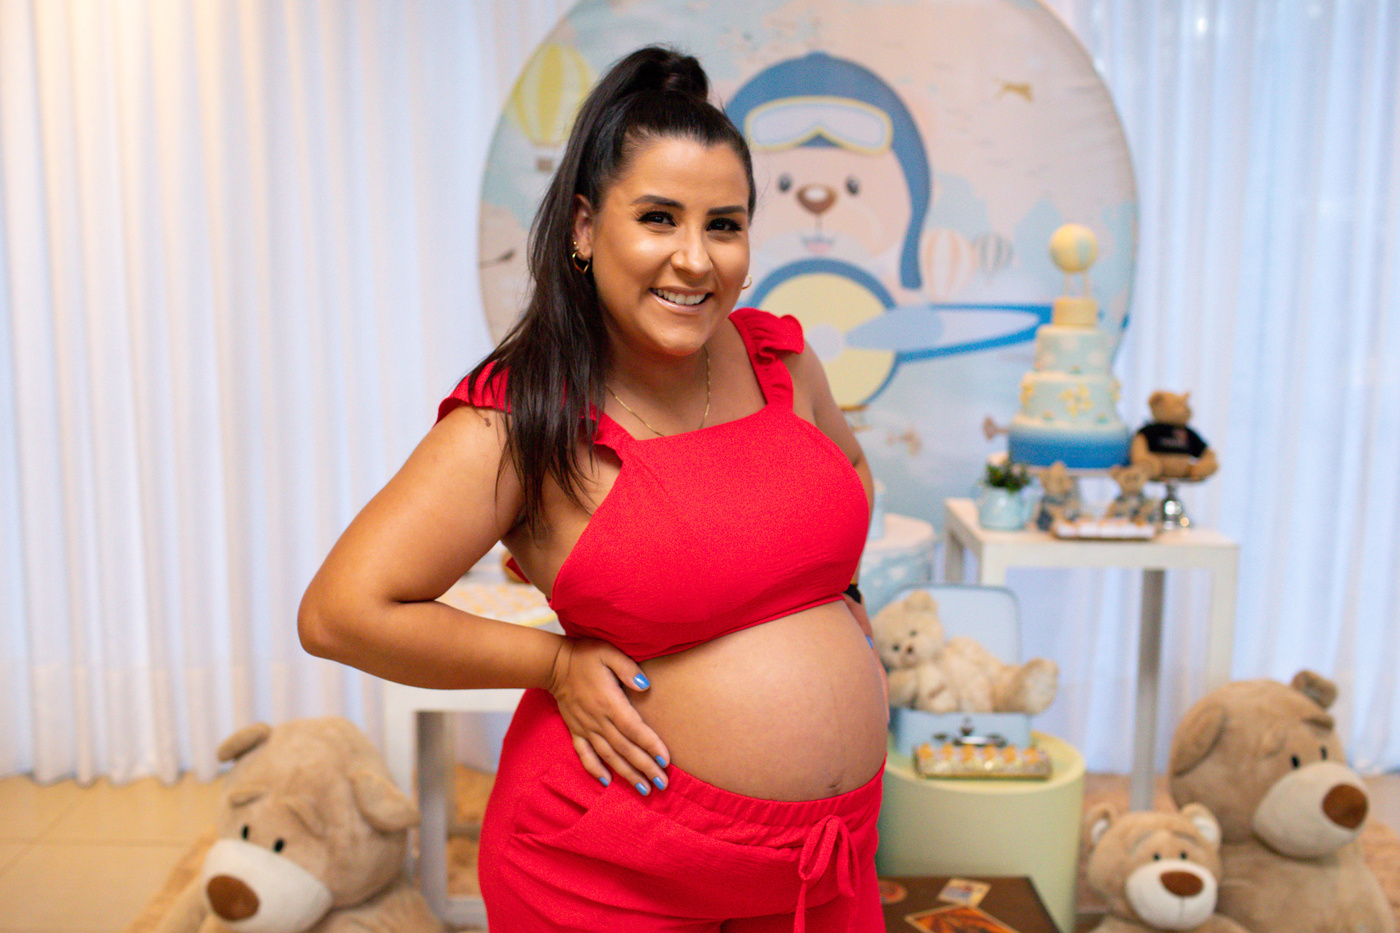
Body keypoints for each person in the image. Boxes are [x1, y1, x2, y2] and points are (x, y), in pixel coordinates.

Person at [299, 44, 889, 932]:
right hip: (612, 872)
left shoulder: (781, 358)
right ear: (583, 228)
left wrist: (838, 596)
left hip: (821, 865)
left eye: (724, 225)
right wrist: (554, 664)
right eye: (658, 218)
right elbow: (341, 611)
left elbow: (848, 470)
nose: (695, 259)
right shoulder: (522, 415)